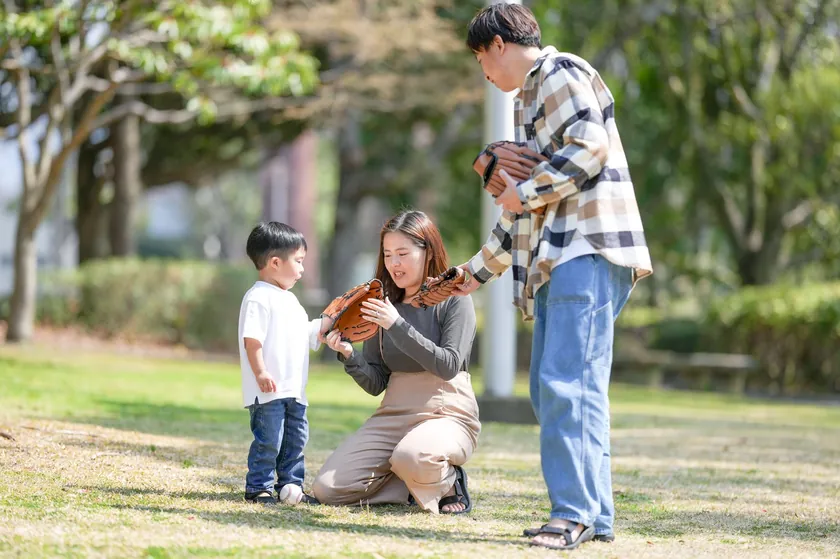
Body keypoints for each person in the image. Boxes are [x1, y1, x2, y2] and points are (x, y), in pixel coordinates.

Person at [456, 4, 654, 550]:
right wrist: (470, 275)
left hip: (585, 252)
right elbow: (526, 208)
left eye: (481, 59)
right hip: (561, 259)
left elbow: (588, 147)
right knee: (562, 392)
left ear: (498, 44)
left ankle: (572, 514)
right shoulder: (530, 98)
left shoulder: (558, 72)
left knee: (567, 386)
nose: (485, 74)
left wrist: (527, 189)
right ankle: (595, 514)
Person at [313, 210, 480, 515]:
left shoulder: (455, 300)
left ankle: (448, 481)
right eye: (388, 254)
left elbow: (448, 365)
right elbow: (377, 382)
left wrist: (397, 325)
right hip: (394, 413)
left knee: (413, 456)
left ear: (427, 251)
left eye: (403, 253)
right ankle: (409, 484)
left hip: (447, 412)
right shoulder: (382, 305)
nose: (394, 263)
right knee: (327, 489)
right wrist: (351, 356)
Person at [238, 221, 329, 505]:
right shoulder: (258, 298)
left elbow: (305, 333)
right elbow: (252, 340)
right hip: (268, 391)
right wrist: (261, 372)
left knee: (295, 440)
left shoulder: (290, 300)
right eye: (299, 261)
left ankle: (291, 485)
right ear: (275, 262)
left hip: (294, 390)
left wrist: (328, 324)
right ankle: (259, 487)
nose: (302, 269)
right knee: (269, 441)